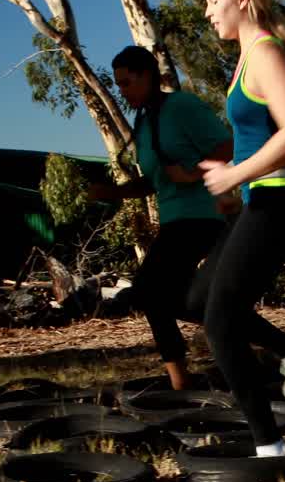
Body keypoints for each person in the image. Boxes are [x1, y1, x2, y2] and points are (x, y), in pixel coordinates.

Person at [193, 0, 285, 457]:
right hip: (258, 201)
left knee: (220, 321)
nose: (208, 12)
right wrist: (234, 182)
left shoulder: (266, 52)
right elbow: (257, 139)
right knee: (194, 300)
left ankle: (269, 448)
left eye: (214, 1)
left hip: (280, 202)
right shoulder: (245, 59)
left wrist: (235, 175)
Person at [90, 46, 232, 392]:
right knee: (169, 298)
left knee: (150, 292)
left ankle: (182, 379)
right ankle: (239, 339)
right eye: (118, 84)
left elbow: (227, 147)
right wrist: (113, 193)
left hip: (203, 215)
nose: (121, 91)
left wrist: (191, 172)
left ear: (148, 75)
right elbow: (154, 182)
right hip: (174, 219)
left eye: (126, 82)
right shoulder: (143, 122)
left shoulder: (182, 106)